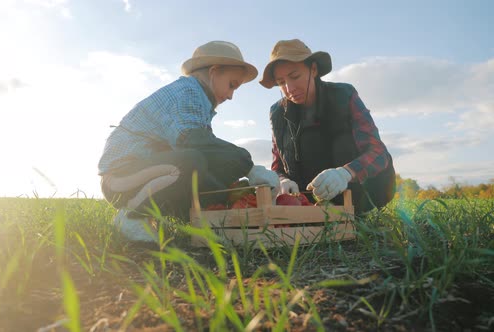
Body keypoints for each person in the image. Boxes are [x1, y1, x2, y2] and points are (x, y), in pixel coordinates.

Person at [98, 41, 280, 243]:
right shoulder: (188, 91)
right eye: (231, 85)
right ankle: (132, 216)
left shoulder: (200, 101)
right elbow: (191, 142)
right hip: (121, 177)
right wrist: (249, 167)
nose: (230, 96)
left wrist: (231, 189)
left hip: (147, 171)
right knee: (192, 162)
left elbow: (207, 153)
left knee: (213, 184)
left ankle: (181, 220)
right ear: (214, 71)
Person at [259, 38, 395, 214]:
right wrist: (282, 180)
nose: (289, 88)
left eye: (295, 76)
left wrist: (345, 173)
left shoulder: (344, 95)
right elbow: (277, 166)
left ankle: (362, 212)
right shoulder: (277, 113)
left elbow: (378, 153)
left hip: (358, 193)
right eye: (281, 82)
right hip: (308, 201)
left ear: (313, 69)